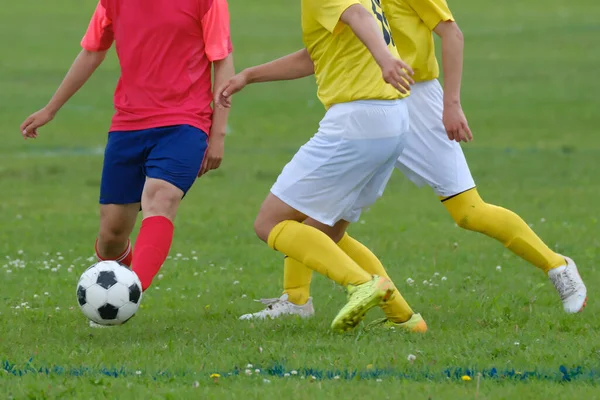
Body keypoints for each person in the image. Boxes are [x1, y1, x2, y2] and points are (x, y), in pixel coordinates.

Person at [239, 0, 586, 325]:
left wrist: (451, 103)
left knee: (468, 211)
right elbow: (321, 52)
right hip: (373, 97)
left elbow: (452, 32)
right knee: (313, 208)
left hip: (414, 97)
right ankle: (299, 299)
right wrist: (250, 75)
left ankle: (557, 266)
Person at [20, 0, 235, 326]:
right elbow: (92, 51)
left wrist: (217, 134)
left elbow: (222, 61)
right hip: (129, 125)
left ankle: (129, 293)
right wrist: (51, 109)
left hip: (185, 121)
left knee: (160, 197)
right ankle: (117, 288)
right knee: (111, 233)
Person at [217, 0, 427, 332]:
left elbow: (356, 16)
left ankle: (360, 284)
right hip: (392, 121)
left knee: (270, 222)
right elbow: (317, 55)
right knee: (325, 231)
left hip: (357, 123)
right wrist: (250, 76)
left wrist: (385, 60)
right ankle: (404, 318)